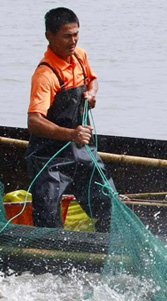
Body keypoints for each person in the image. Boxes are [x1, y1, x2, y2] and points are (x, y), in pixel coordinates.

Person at [26, 7, 115, 232]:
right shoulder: (45, 75)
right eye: (67, 36)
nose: (73, 41)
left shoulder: (79, 55)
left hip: (81, 148)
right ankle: (49, 248)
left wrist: (91, 93)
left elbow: (92, 80)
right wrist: (71, 134)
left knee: (107, 200)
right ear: (49, 35)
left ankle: (106, 241)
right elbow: (34, 121)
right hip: (49, 156)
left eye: (76, 34)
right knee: (47, 215)